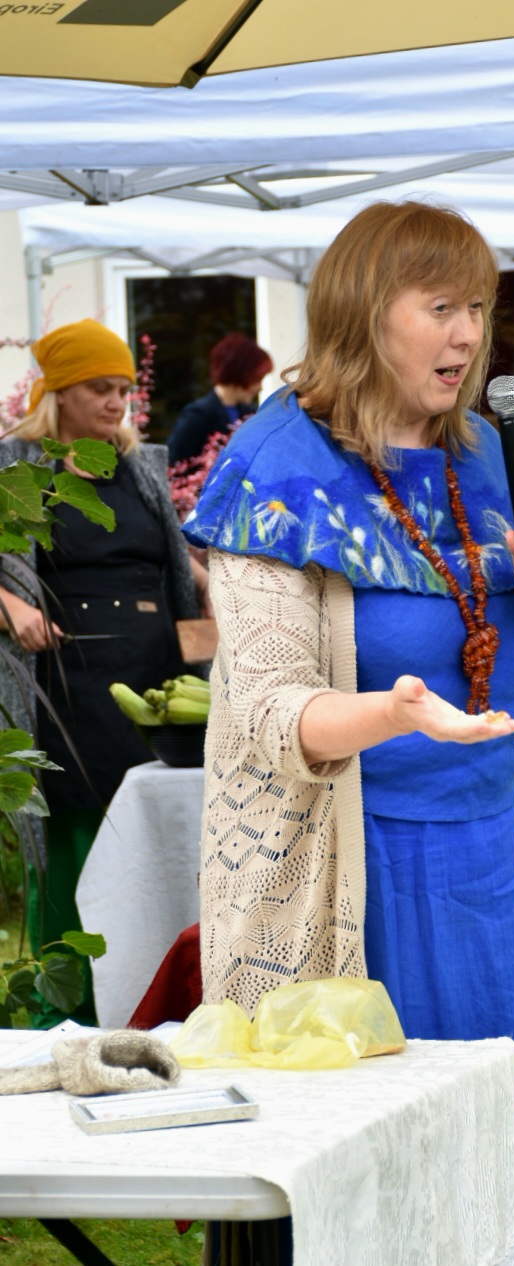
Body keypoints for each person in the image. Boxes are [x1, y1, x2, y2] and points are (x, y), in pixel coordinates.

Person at [183, 200, 514, 1266]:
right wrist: (397, 714)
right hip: (350, 875)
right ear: (367, 314)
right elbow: (267, 710)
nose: (468, 335)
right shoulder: (274, 470)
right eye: (441, 307)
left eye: (479, 309)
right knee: (370, 1180)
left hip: (486, 873)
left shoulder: (489, 459)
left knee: (490, 1167)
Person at [0, 318, 206, 1024]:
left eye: (124, 389)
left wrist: (213, 583)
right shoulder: (17, 466)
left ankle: (156, 999)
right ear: (59, 391)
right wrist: (8, 604)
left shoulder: (138, 467)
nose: (117, 402)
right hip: (66, 684)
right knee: (80, 838)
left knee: (155, 834)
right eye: (100, 389)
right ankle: (69, 1013)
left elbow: (170, 558)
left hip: (154, 677)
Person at [166, 331, 273, 464]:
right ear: (242, 373)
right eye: (257, 379)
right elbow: (172, 466)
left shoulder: (250, 414)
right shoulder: (198, 416)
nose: (260, 387)